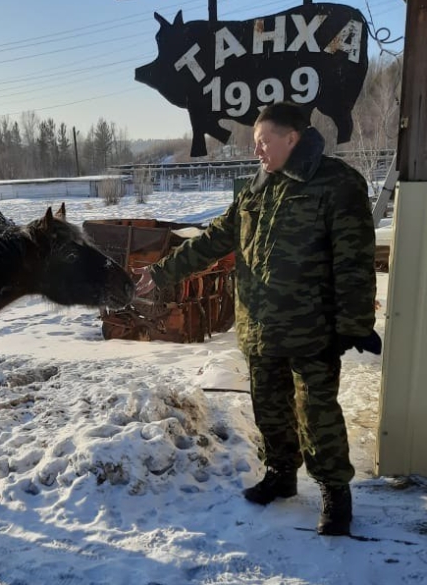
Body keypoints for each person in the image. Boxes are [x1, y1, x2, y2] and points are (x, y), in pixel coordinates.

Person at [133, 101, 380, 536]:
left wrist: (353, 323)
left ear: (293, 137)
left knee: (317, 415)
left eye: (264, 142)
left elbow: (355, 260)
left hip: (313, 330)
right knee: (270, 410)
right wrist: (161, 272)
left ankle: (334, 493)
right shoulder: (257, 187)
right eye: (255, 144)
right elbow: (215, 239)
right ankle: (281, 476)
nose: (258, 151)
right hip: (260, 327)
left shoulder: (337, 184)